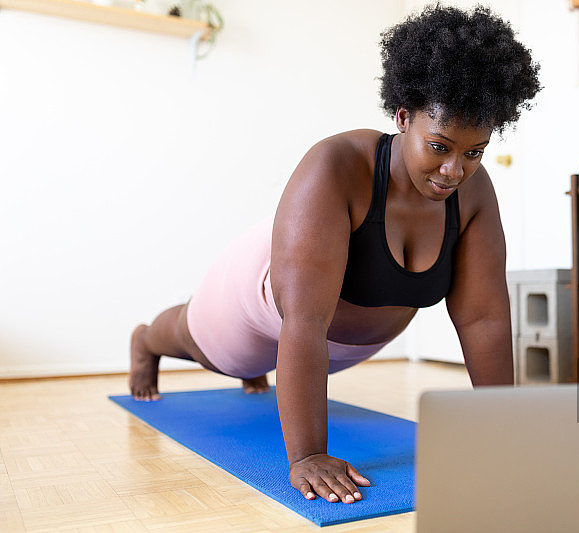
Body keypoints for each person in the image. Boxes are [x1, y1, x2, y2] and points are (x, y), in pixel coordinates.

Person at [129, 4, 541, 505]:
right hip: (267, 302)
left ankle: (253, 368)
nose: (455, 170)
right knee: (209, 351)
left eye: (474, 152)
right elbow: (303, 320)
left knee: (261, 365)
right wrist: (307, 455)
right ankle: (145, 341)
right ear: (403, 116)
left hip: (341, 346)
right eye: (439, 146)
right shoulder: (336, 167)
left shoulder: (474, 196)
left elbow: (483, 319)